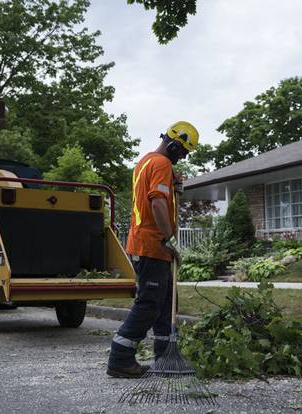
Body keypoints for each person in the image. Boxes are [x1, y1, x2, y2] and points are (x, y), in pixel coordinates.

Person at [107, 121, 199, 378]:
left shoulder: (145, 162)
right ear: (172, 144)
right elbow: (157, 203)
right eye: (182, 152)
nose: (182, 158)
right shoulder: (161, 164)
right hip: (153, 244)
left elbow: (160, 196)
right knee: (149, 302)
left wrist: (173, 186)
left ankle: (166, 355)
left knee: (168, 301)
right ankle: (120, 358)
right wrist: (169, 237)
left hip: (152, 245)